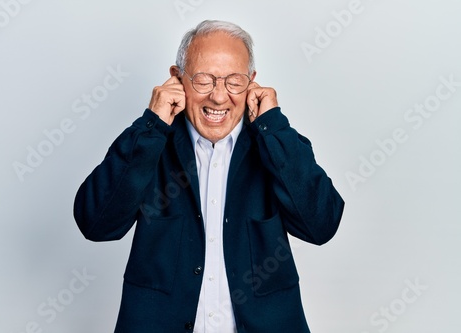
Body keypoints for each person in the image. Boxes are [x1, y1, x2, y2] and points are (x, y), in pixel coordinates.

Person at [74, 19, 344, 333]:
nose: (218, 97)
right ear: (176, 79)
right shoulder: (150, 144)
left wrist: (274, 127)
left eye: (234, 81)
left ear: (251, 82)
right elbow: (96, 224)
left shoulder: (275, 143)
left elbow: (321, 226)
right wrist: (151, 127)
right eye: (204, 80)